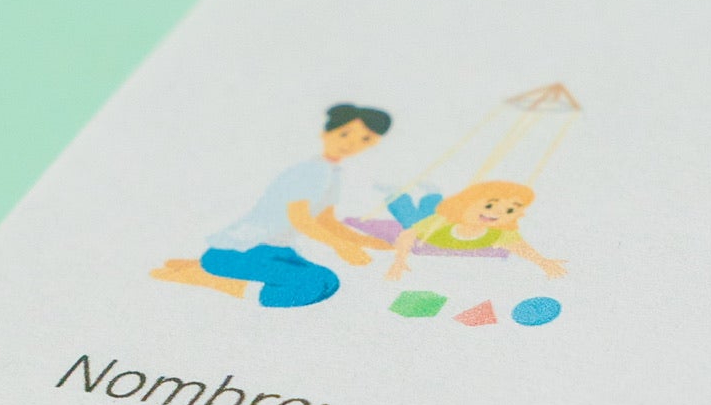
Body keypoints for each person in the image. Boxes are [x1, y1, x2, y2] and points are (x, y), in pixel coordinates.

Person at [152, 104, 393, 306]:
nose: (351, 144)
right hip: (239, 250)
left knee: (327, 282)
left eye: (365, 139)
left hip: (275, 251)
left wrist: (363, 241)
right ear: (326, 133)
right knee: (312, 285)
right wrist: (342, 247)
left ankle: (203, 267)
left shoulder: (332, 173)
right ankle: (210, 277)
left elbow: (325, 220)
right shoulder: (311, 171)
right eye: (344, 134)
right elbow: (300, 219)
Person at [385, 180, 567, 282]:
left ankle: (432, 192)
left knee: (429, 207)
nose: (496, 213)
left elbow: (520, 246)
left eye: (510, 210)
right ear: (466, 202)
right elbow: (408, 234)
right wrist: (399, 260)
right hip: (431, 222)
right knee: (409, 218)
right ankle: (396, 194)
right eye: (489, 205)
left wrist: (543, 262)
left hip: (438, 218)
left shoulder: (499, 233)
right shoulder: (442, 223)